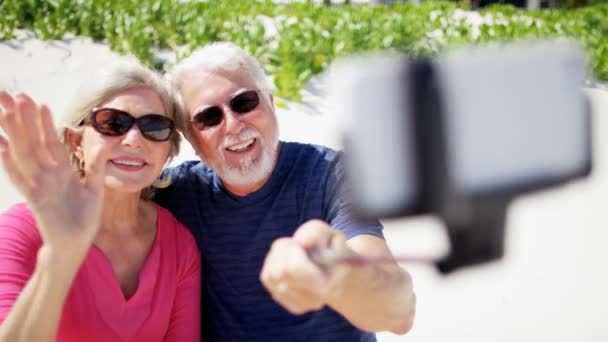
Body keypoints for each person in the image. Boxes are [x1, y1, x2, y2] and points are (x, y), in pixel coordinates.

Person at [156, 42, 416, 341]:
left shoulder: (331, 175)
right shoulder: (175, 192)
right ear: (191, 139)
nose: (233, 125)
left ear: (270, 101)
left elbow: (399, 312)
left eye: (244, 103)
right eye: (209, 118)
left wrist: (340, 276)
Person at [0, 58, 201, 341]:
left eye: (154, 127)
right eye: (112, 123)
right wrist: (60, 256)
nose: (133, 140)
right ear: (75, 142)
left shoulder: (179, 246)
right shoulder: (19, 229)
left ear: (167, 151)